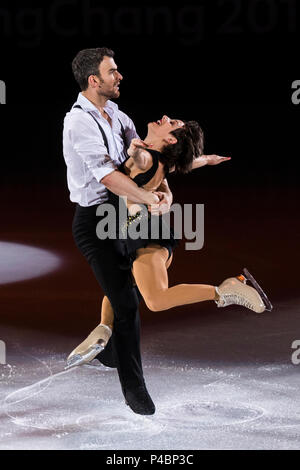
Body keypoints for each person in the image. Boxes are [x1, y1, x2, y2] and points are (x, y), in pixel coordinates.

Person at [66, 115, 273, 369]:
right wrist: (207, 160)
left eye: (172, 122)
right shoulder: (163, 162)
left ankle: (224, 290)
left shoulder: (147, 158)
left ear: (170, 139)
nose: (165, 117)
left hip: (143, 236)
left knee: (155, 299)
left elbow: (141, 159)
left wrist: (134, 151)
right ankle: (104, 330)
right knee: (120, 284)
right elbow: (183, 164)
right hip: (142, 234)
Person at [63, 47, 175, 416]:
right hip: (94, 222)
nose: (120, 76)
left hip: (122, 212)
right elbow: (108, 177)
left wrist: (164, 194)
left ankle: (111, 351)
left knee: (131, 290)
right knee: (126, 301)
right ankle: (135, 391)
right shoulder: (79, 122)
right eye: (113, 72)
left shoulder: (117, 115)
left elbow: (147, 160)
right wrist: (145, 196)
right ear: (94, 80)